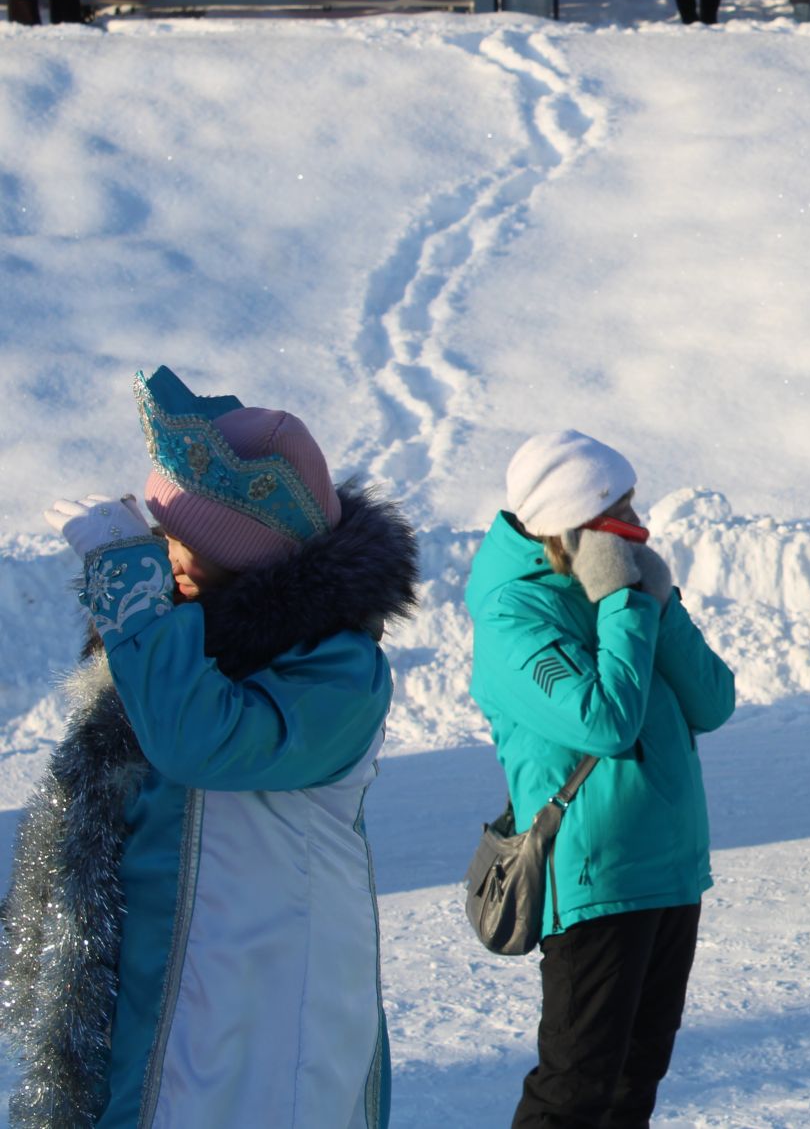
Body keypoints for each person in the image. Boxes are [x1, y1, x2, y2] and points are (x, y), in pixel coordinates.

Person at [0, 367, 417, 1128]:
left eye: (198, 542)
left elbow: (200, 739)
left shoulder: (337, 670)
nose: (174, 557)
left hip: (264, 1009)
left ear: (262, 557)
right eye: (170, 536)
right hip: (174, 986)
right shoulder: (188, 632)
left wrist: (131, 595)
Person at [468, 429, 736, 1129]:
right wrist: (623, 601)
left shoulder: (619, 584)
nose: (636, 527)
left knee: (634, 1083)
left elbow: (714, 700)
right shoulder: (512, 613)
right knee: (575, 1092)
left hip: (670, 868)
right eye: (618, 511)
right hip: (596, 881)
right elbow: (606, 719)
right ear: (572, 519)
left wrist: (658, 599)